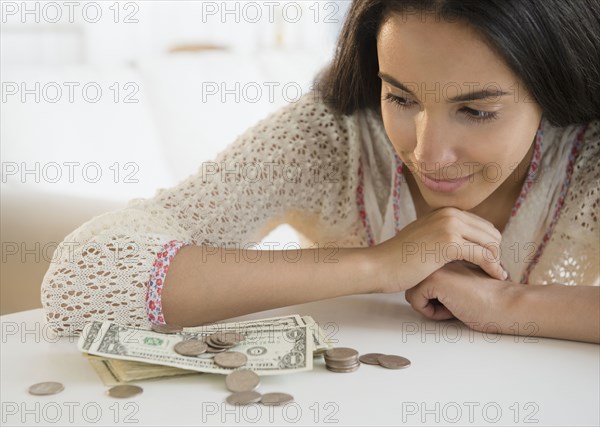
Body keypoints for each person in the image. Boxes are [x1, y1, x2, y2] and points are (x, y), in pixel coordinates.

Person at [41, 0, 600, 343]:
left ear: (551, 89)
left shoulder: (588, 152)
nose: (429, 154)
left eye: (476, 111)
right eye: (400, 98)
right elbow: (81, 280)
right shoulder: (331, 135)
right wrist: (377, 265)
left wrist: (508, 305)